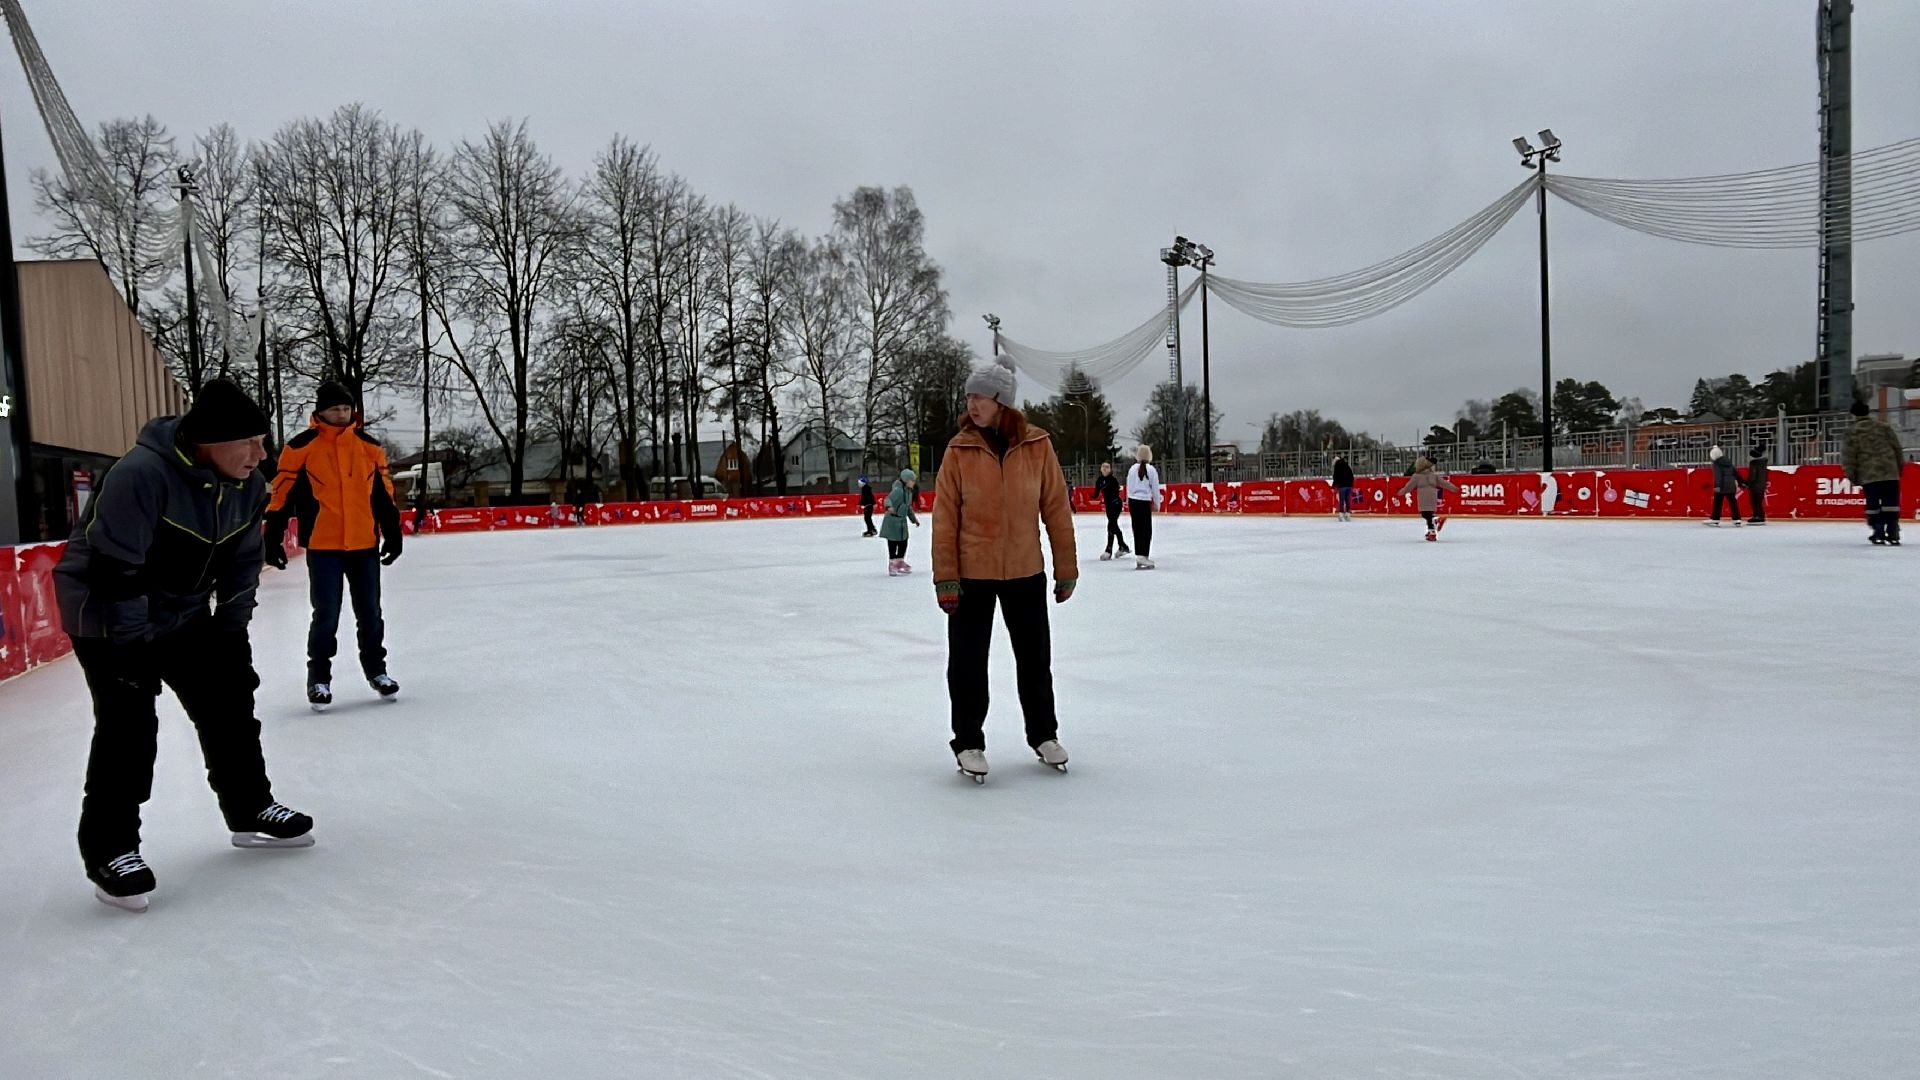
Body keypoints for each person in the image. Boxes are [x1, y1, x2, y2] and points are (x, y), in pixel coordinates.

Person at [53, 378, 314, 912]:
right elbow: (115, 570)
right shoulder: (140, 475)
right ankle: (111, 850)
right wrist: (130, 653)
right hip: (106, 612)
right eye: (251, 441)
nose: (263, 454)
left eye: (264, 441)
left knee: (230, 702)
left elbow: (244, 562)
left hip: (182, 610)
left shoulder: (250, 484)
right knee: (128, 724)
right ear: (209, 441)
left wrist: (231, 630)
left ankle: (249, 810)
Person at [932, 353, 1077, 782]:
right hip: (971, 576)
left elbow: (1055, 508)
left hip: (1025, 572)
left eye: (980, 396)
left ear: (1002, 401)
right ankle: (969, 742)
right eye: (969, 397)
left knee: (1035, 660)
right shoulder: (959, 450)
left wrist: (1065, 567)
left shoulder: (1036, 445)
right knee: (967, 662)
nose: (971, 404)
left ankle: (1043, 735)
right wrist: (946, 578)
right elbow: (945, 520)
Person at [263, 380, 405, 710]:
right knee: (325, 613)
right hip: (324, 546)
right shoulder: (301, 447)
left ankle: (377, 671)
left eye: (346, 408)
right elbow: (281, 494)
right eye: (334, 408)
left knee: (370, 613)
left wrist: (392, 532)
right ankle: (319, 679)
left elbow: (383, 495)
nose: (341, 413)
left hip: (363, 545)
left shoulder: (369, 447)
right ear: (320, 412)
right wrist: (273, 535)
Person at [1842, 399, 1904, 546]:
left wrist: (1852, 476)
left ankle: (1878, 531)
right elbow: (1897, 449)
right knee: (1891, 503)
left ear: (1853, 415)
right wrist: (1898, 469)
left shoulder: (1852, 432)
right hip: (1890, 471)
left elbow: (1849, 456)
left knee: (1873, 504)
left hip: (1869, 473)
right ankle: (1893, 531)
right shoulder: (1884, 427)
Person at [1398, 455, 1458, 541]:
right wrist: (1454, 488)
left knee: (1426, 514)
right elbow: (1444, 483)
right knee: (1428, 514)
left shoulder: (1417, 476)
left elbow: (1409, 487)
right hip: (1433, 496)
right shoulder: (1433, 475)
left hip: (1423, 497)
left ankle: (1435, 522)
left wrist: (1401, 492)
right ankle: (1431, 532)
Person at [1126, 444, 1161, 569]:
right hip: (1144, 502)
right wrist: (1157, 503)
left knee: (1137, 528)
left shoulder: (1132, 469)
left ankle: (1139, 554)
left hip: (1133, 502)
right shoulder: (1151, 470)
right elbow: (1155, 488)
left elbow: (1128, 485)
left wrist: (1127, 500)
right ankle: (1143, 555)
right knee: (1146, 529)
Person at [881, 468, 921, 576]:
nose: (914, 482)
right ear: (906, 480)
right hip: (892, 520)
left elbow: (908, 508)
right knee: (893, 542)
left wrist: (914, 519)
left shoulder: (908, 493)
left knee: (904, 541)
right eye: (912, 480)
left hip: (902, 521)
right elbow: (887, 499)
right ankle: (892, 563)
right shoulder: (898, 491)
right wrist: (888, 506)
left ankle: (899, 561)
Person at [1094, 460, 1129, 560]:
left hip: (1116, 504)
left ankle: (1108, 550)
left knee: (1111, 525)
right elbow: (1096, 493)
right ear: (1100, 469)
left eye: (1107, 467)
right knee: (1114, 525)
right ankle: (1123, 546)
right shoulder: (1099, 480)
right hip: (1109, 506)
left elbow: (1113, 492)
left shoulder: (1113, 480)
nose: (1105, 469)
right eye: (1103, 467)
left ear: (1110, 469)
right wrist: (1093, 496)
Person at [1706, 446, 1743, 527]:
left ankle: (1715, 518)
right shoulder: (1728, 462)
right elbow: (1735, 473)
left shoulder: (1716, 463)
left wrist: (1717, 486)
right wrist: (1741, 482)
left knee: (1717, 503)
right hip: (1731, 486)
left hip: (1721, 486)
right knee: (1733, 502)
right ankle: (1737, 519)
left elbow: (1718, 476)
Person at [1745, 444, 1770, 525]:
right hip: (1762, 484)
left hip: (1755, 485)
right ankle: (1761, 515)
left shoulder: (1754, 463)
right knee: (1759, 501)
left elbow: (1753, 476)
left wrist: (1748, 483)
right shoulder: (1763, 463)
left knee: (1754, 501)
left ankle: (1756, 516)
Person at [1331, 454, 1357, 522]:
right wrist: (1351, 484)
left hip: (1342, 485)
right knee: (1347, 500)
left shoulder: (1337, 466)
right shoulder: (1347, 465)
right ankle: (1348, 514)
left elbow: (1335, 476)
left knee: (1342, 500)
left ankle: (1341, 514)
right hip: (1348, 485)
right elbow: (1351, 475)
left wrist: (1334, 485)